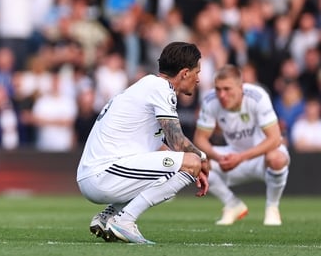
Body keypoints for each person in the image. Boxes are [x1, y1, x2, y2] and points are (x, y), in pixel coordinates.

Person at [76, 41, 210, 244]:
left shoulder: (147, 86)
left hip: (95, 174)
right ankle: (125, 221)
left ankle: (108, 217)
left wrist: (191, 163)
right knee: (191, 162)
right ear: (184, 73)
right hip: (103, 174)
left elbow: (164, 147)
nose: (198, 79)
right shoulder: (160, 88)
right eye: (196, 72)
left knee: (181, 164)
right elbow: (178, 142)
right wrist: (201, 160)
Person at [193, 65, 289, 226]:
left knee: (277, 158)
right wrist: (218, 157)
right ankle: (232, 204)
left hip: (260, 156)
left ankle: (272, 207)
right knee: (195, 161)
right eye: (218, 89)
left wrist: (241, 158)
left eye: (227, 89)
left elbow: (275, 138)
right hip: (233, 155)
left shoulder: (257, 97)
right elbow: (199, 139)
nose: (222, 95)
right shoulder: (210, 100)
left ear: (240, 87)